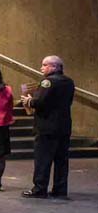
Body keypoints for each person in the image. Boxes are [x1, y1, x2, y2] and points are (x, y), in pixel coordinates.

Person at [21, 55, 75, 198]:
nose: (42, 68)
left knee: (43, 159)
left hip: (47, 126)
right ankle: (60, 189)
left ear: (54, 67)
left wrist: (29, 101)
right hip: (64, 126)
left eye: (45, 65)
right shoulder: (69, 82)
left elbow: (40, 102)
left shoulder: (47, 82)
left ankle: (39, 188)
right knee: (61, 160)